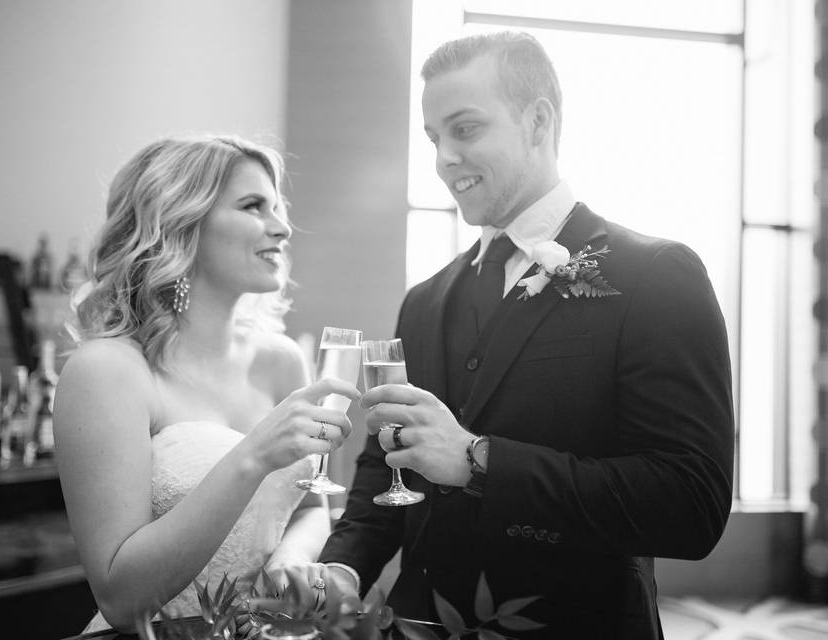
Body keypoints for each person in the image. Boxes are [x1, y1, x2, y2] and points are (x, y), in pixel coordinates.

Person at [314, 31, 734, 639]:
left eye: (465, 129)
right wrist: (341, 570)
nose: (443, 158)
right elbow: (386, 468)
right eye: (434, 138)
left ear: (538, 121)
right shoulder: (424, 301)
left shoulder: (656, 275)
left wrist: (477, 462)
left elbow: (690, 505)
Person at [54, 135, 360, 634]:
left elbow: (311, 506)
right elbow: (121, 597)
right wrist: (252, 456)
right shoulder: (106, 371)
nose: (282, 228)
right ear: (180, 222)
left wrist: (290, 564)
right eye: (253, 206)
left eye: (278, 207)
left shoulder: (281, 360)